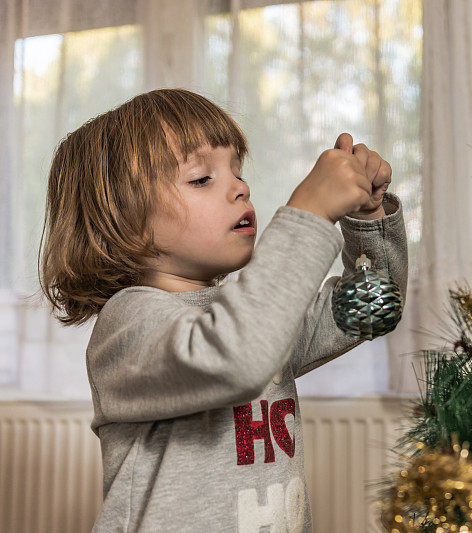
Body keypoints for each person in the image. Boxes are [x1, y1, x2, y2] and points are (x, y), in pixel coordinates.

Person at [37, 88, 408, 532]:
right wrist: (307, 213)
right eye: (201, 178)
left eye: (237, 169)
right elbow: (236, 355)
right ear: (124, 220)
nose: (241, 187)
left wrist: (368, 219)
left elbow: (373, 309)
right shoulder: (129, 326)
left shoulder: (250, 312)